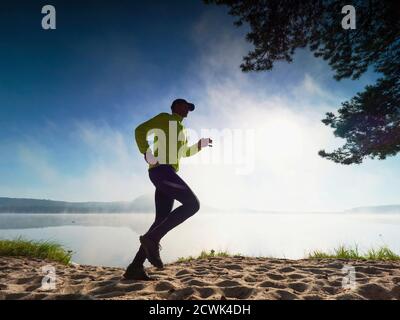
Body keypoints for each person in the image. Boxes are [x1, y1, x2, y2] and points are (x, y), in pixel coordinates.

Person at [123, 98, 212, 280]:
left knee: (161, 220)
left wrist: (199, 146)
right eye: (186, 106)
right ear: (176, 106)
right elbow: (140, 130)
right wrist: (146, 152)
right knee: (192, 204)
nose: (188, 110)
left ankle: (135, 267)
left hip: (167, 172)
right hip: (160, 169)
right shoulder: (165, 119)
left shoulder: (183, 131)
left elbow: (184, 152)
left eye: (190, 108)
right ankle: (152, 240)